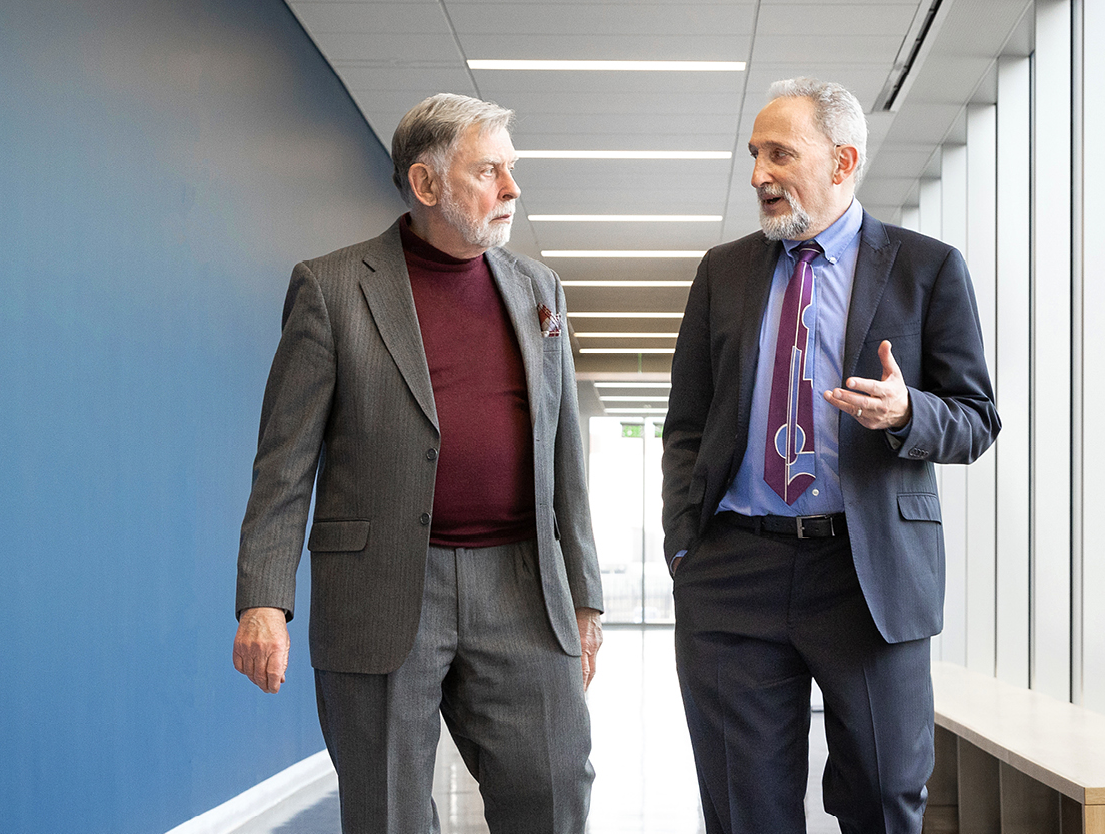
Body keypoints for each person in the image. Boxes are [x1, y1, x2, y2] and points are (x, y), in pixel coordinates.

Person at [232, 93, 603, 834]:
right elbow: (284, 459)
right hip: (384, 585)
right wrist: (262, 598)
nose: (512, 189)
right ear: (426, 184)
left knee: (556, 782)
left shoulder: (538, 289)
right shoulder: (332, 287)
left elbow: (565, 455)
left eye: (512, 170)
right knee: (387, 809)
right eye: (489, 170)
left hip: (522, 583)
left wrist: (584, 593)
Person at [661, 77, 998, 834]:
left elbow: (977, 417)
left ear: (843, 161)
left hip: (866, 573)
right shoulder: (724, 271)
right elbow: (687, 421)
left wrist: (909, 410)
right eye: (755, 155)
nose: (759, 175)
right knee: (747, 811)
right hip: (733, 572)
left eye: (780, 154)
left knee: (883, 796)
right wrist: (683, 540)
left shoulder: (926, 267)